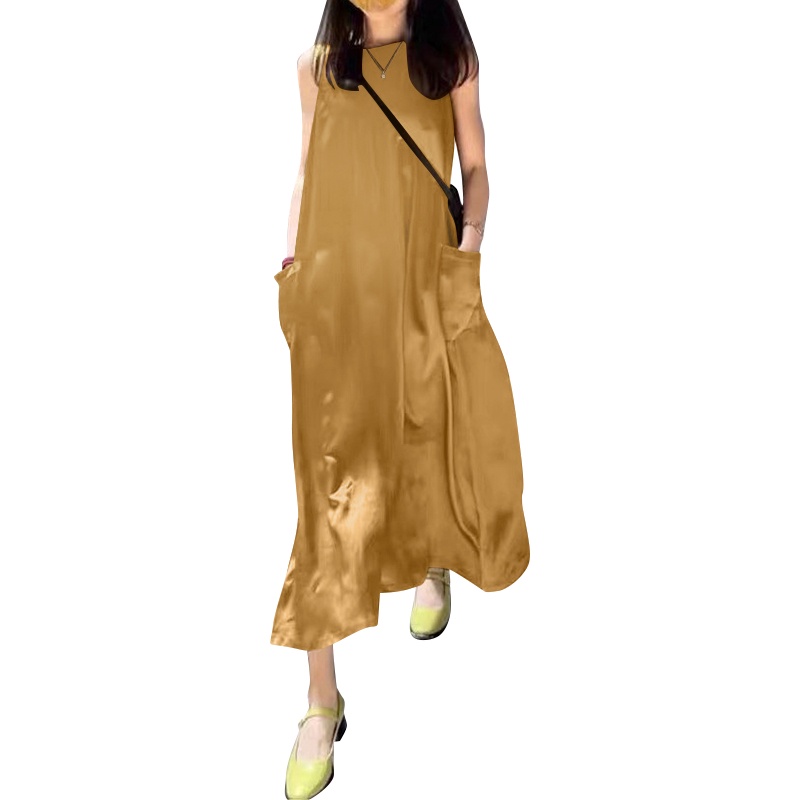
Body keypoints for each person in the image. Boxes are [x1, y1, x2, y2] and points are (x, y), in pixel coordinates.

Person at [272, 1, 530, 797]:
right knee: (325, 488)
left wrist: (468, 252)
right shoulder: (319, 68)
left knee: (428, 433)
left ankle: (431, 560)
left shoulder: (446, 58)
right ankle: (322, 700)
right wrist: (290, 269)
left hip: (423, 289)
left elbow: (476, 167)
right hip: (338, 300)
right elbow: (309, 171)